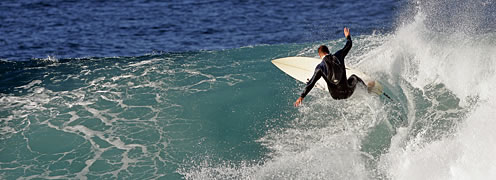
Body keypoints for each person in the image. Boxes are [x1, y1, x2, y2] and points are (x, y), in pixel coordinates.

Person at [294, 27, 366, 107]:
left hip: (335, 96)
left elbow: (311, 83)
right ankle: (368, 89)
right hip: (347, 93)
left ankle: (326, 82)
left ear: (320, 55)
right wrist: (348, 37)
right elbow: (349, 45)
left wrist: (301, 97)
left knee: (321, 77)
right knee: (354, 77)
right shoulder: (339, 55)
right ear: (328, 51)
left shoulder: (320, 67)